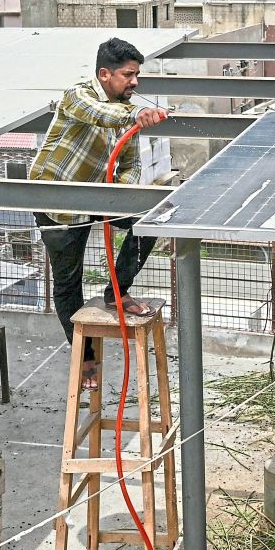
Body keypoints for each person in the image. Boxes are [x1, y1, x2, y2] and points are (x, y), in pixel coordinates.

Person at [30, 37, 167, 389]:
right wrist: (135, 114)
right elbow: (100, 115)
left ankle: (117, 292)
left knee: (146, 223)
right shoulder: (78, 96)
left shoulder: (125, 106)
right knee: (68, 283)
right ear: (104, 74)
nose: (134, 82)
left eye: (136, 75)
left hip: (97, 197)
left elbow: (132, 161)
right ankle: (87, 360)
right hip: (57, 203)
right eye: (128, 75)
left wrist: (119, 193)